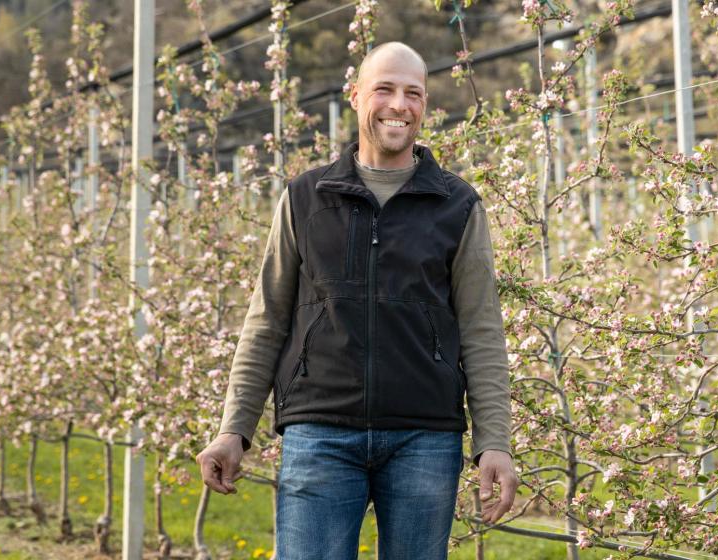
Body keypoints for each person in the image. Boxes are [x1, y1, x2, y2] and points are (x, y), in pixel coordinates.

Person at [196, 41, 517, 559]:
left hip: (424, 437)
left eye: (413, 93)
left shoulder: (457, 205)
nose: (399, 105)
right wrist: (234, 429)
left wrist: (493, 441)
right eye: (385, 89)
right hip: (319, 432)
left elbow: (481, 329)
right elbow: (267, 321)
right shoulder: (306, 196)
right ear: (355, 95)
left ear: (425, 105)